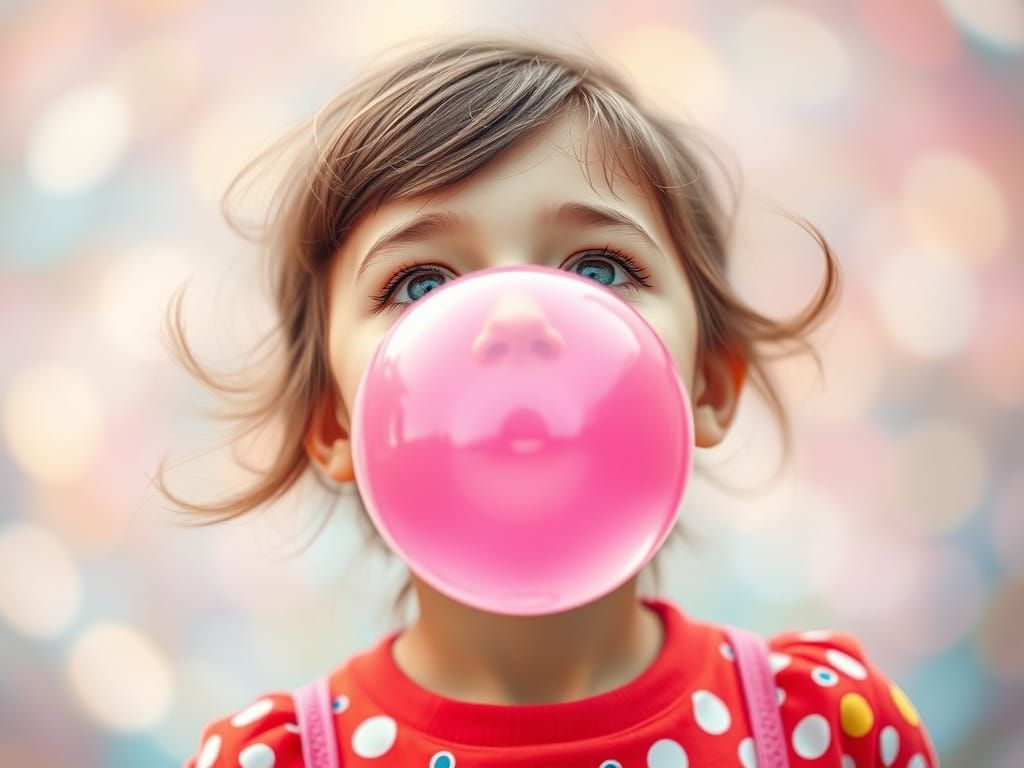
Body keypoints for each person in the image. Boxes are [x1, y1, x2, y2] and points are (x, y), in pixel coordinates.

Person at [168, 31, 940, 767]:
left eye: (598, 269)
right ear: (333, 422)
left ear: (706, 383)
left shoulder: (824, 730)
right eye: (421, 282)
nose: (515, 316)